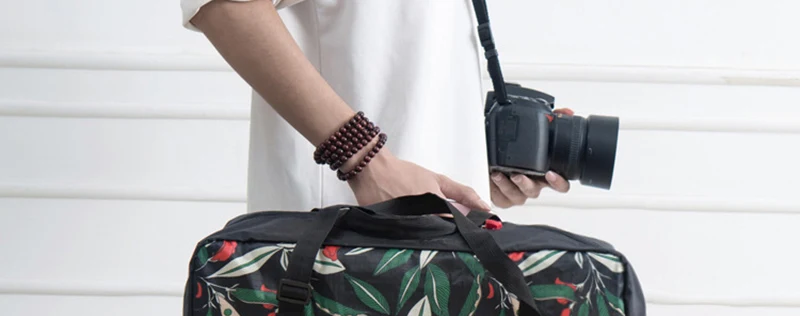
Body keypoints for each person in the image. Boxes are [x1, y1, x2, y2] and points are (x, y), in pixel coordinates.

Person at [181, 0, 570, 212]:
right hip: (339, 252)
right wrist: (365, 159)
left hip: (436, 254)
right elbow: (227, 6)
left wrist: (469, 165)